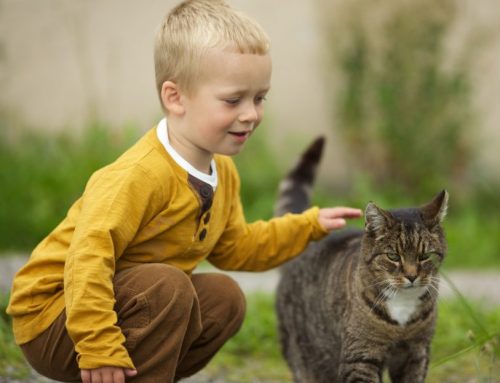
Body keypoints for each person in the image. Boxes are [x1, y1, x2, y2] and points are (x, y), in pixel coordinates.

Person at [7, 1, 363, 382]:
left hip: (115, 304)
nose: (252, 114)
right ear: (175, 98)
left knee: (224, 299)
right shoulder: (137, 175)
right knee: (168, 287)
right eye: (233, 100)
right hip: (53, 318)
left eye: (260, 98)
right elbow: (87, 258)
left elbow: (237, 247)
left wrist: (307, 227)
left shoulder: (221, 169)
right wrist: (97, 345)